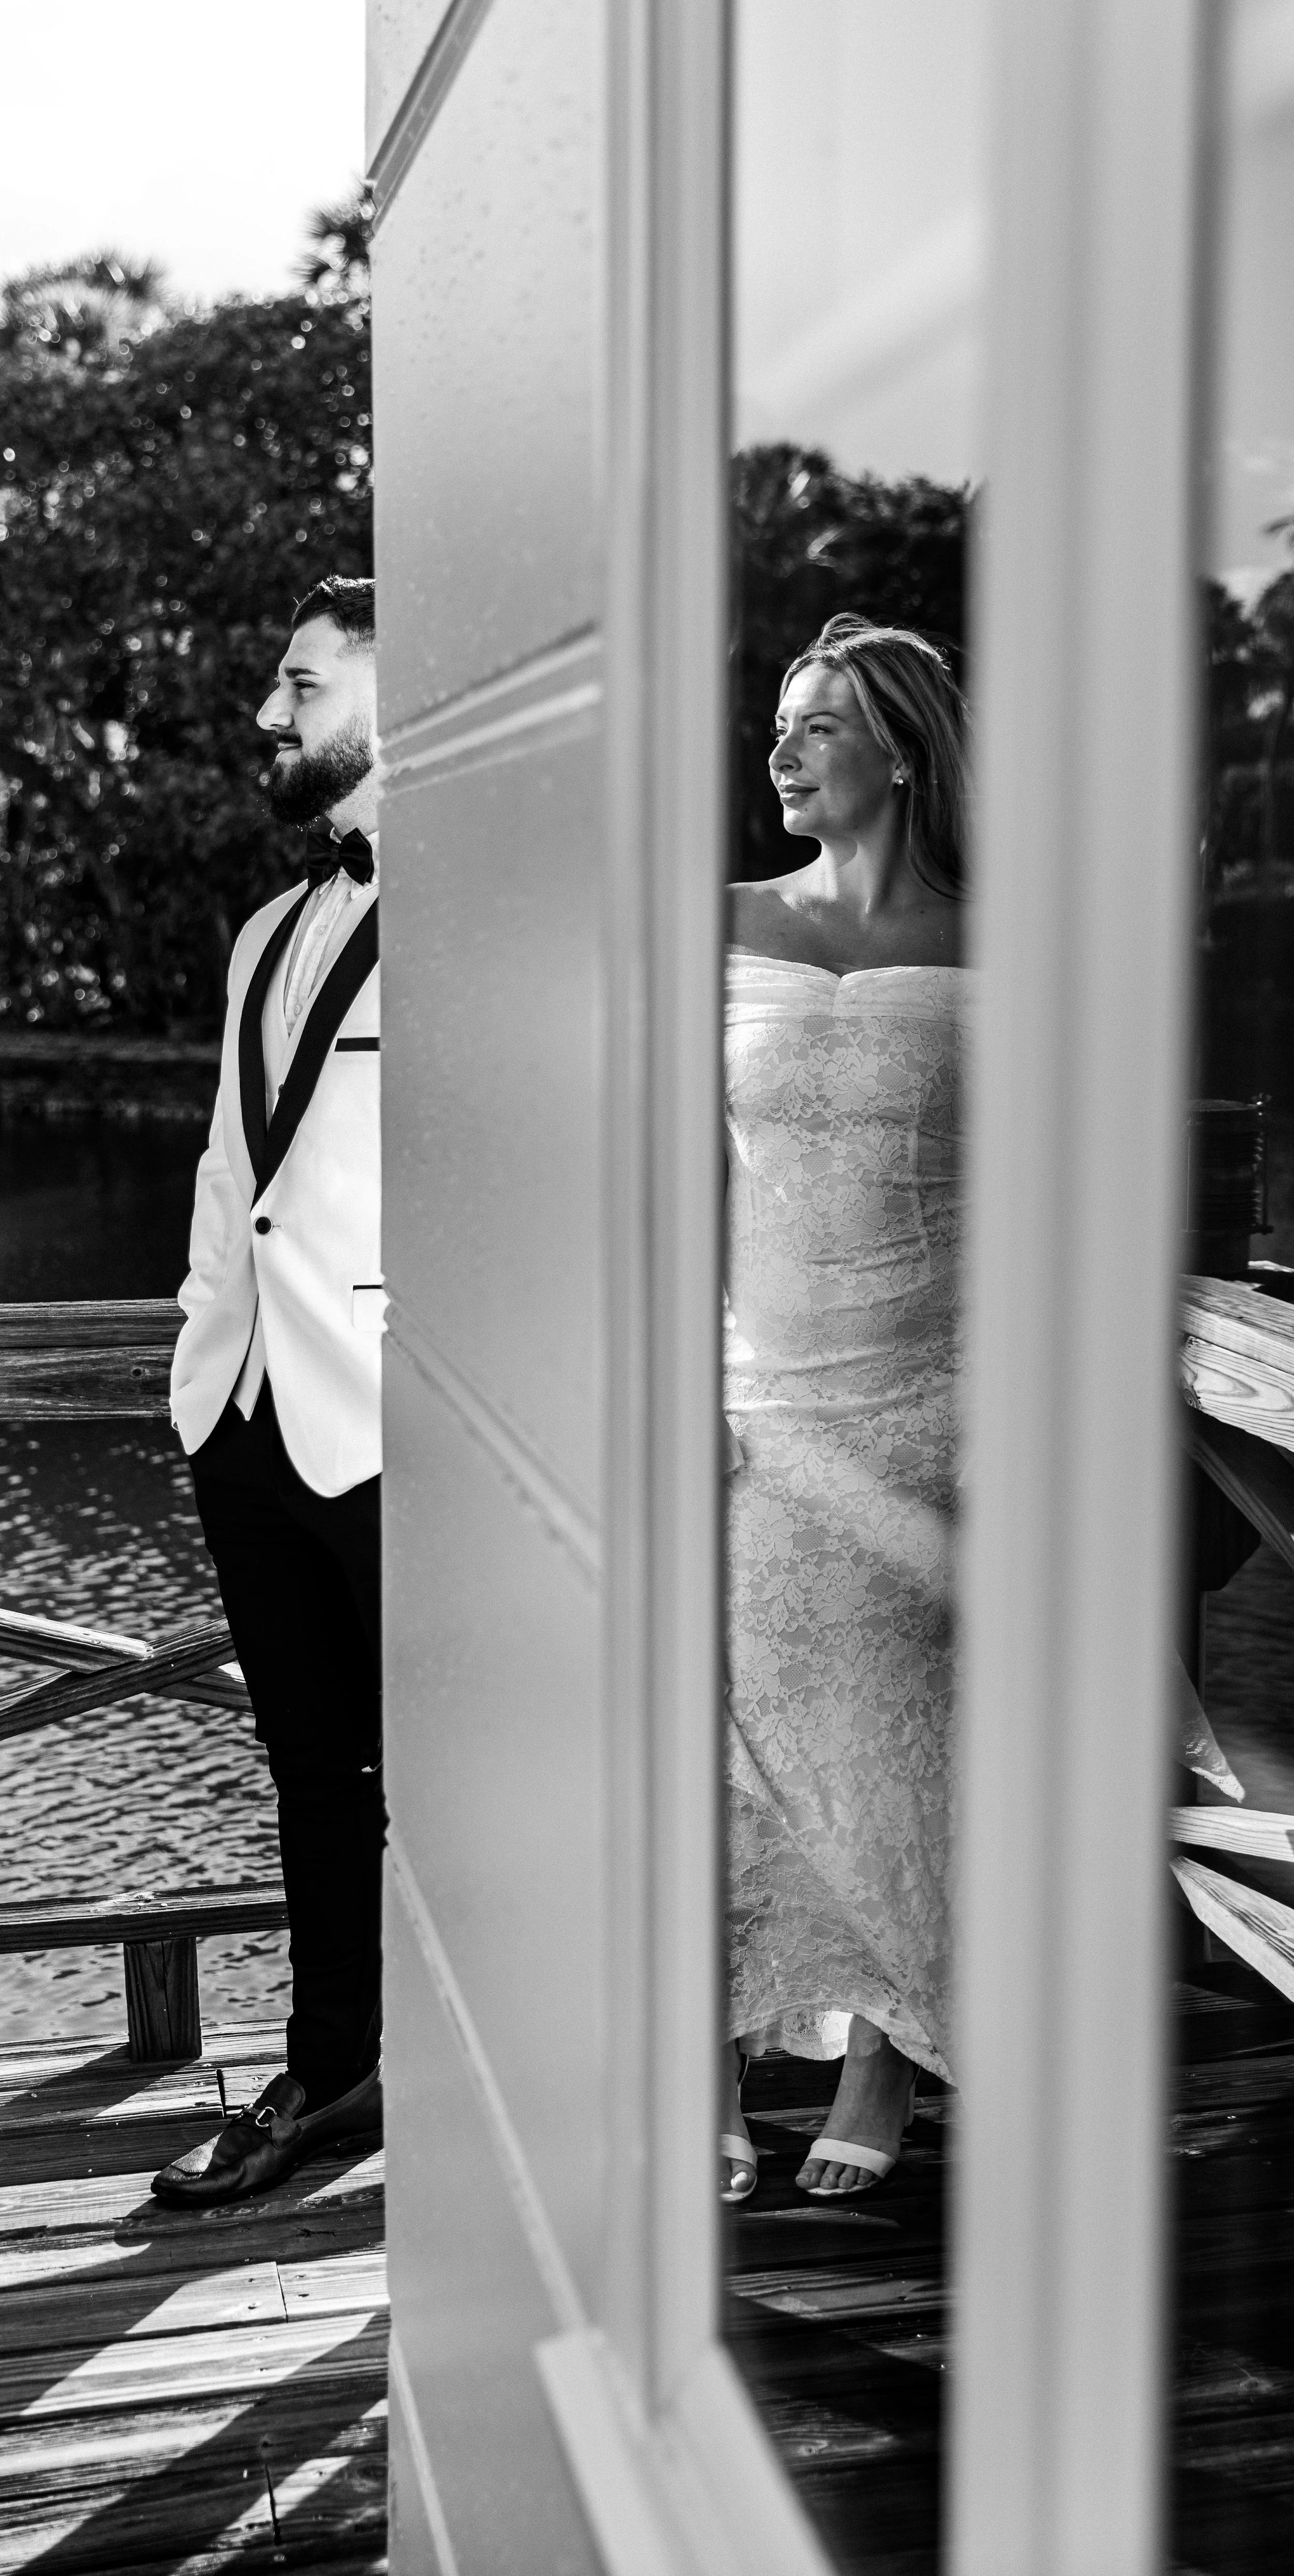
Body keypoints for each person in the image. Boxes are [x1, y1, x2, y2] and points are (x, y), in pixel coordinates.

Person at [720, 613, 968, 2202]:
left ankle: (881, 2057)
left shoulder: (994, 939)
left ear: (898, 751)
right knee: (723, 1741)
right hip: (751, 1395)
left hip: (929, 1399)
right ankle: (706, 2074)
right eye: (780, 724)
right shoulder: (718, 918)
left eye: (817, 727)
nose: (782, 749)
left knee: (897, 1740)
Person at [154, 574, 385, 2204]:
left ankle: (515, 2080)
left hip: (399, 1424)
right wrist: (193, 1366)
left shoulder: (509, 911)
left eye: (300, 685)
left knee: (466, 1781)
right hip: (241, 1416)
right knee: (311, 1770)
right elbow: (234, 1169)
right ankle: (332, 2072)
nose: (267, 715)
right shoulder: (263, 930)